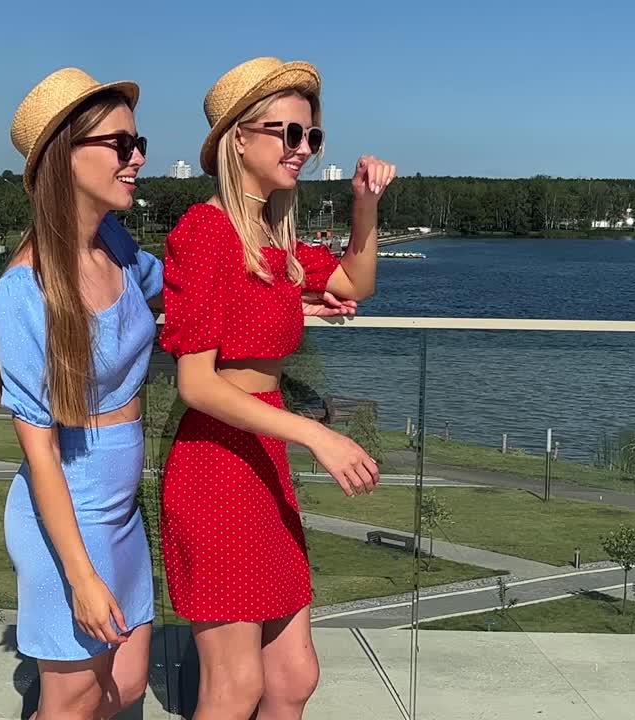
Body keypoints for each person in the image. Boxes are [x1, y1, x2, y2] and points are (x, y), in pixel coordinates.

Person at [159, 57, 396, 719]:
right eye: (286, 133)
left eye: (311, 136)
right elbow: (198, 384)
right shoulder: (205, 233)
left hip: (263, 455)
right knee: (234, 689)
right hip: (216, 463)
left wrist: (365, 205)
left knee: (291, 677)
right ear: (239, 137)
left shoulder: (273, 237)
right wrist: (317, 432)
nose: (302, 148)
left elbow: (356, 282)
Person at [0, 67, 160, 719]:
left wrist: (305, 294)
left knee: (128, 682)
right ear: (66, 155)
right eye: (120, 145)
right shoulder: (23, 293)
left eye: (137, 142)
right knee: (73, 700)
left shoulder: (112, 243)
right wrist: (81, 578)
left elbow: (177, 292)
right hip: (69, 513)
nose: (137, 157)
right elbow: (40, 454)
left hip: (122, 508)